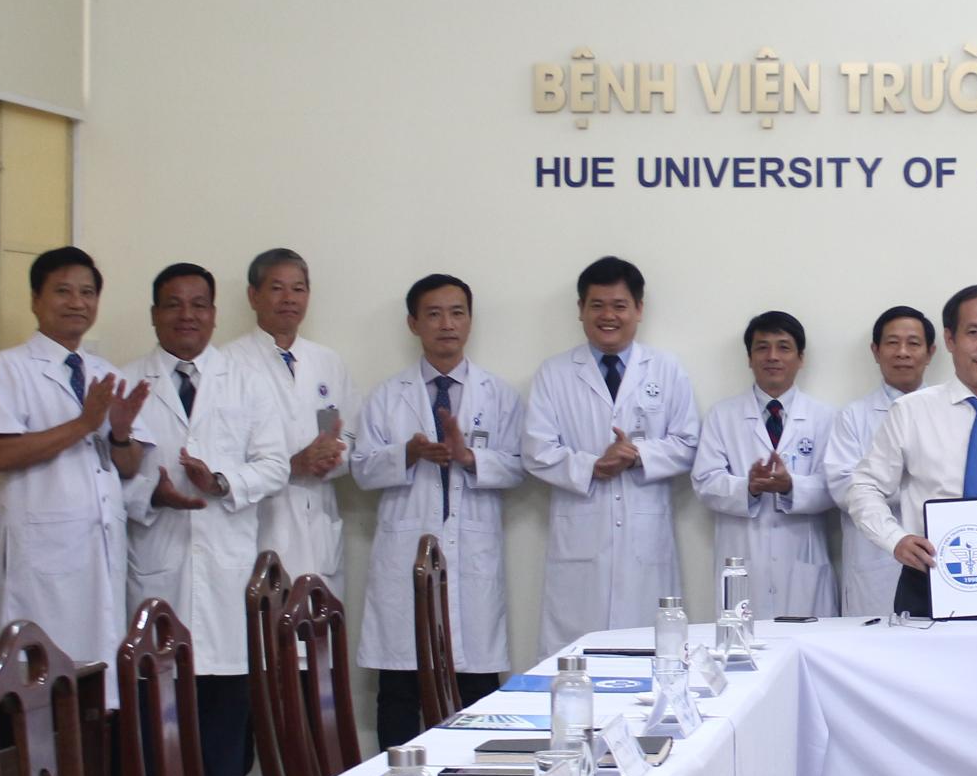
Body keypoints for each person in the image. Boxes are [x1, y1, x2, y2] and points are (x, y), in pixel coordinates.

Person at [120, 263, 291, 776]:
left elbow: (274, 465)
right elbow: (108, 474)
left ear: (215, 314)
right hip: (158, 560)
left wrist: (221, 482)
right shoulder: (127, 382)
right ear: (154, 314)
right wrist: (153, 494)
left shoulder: (245, 381)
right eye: (173, 304)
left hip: (225, 562)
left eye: (198, 304)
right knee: (157, 700)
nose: (187, 315)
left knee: (225, 696)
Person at [353, 274, 523, 748]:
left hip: (472, 557)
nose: (447, 324)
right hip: (404, 554)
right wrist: (406, 454)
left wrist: (470, 458)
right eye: (433, 314)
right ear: (413, 323)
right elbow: (361, 469)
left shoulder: (499, 395)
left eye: (457, 313)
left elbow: (519, 467)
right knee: (400, 687)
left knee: (475, 686)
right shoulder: (387, 396)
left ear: (469, 321)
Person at [0, 248, 149, 674]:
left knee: (98, 679)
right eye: (63, 291)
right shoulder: (6, 370)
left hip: (99, 552)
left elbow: (128, 467)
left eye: (87, 293)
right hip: (40, 559)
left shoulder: (106, 373)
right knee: (38, 677)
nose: (77, 302)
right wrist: (84, 424)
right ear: (36, 300)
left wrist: (120, 433)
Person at [844, 285, 977, 616]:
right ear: (950, 339)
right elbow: (864, 487)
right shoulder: (910, 411)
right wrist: (895, 539)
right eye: (974, 333)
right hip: (926, 579)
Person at [523, 256, 700, 649]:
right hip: (580, 544)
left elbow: (688, 444)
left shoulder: (666, 369)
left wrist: (636, 455)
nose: (608, 316)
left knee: (649, 654)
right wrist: (593, 466)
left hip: (645, 543)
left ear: (638, 309)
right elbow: (536, 451)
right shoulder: (554, 373)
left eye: (619, 305)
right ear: (581, 310)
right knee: (576, 662)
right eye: (597, 305)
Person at [223, 248, 356, 591]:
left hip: (318, 524)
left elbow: (350, 437)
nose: (289, 299)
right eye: (277, 288)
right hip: (259, 525)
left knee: (320, 621)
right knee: (263, 619)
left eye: (298, 289)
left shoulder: (328, 362)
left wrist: (332, 459)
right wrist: (291, 465)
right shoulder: (226, 364)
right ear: (253, 296)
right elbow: (221, 457)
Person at [692, 311, 838, 616]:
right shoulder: (722, 416)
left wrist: (790, 487)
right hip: (743, 560)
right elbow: (705, 482)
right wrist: (749, 488)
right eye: (762, 347)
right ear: (749, 358)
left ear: (801, 358)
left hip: (802, 562)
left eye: (784, 347)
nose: (772, 356)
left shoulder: (824, 418)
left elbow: (835, 486)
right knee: (743, 639)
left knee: (808, 639)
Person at [822, 306, 937, 616]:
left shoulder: (947, 412)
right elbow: (843, 487)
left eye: (913, 343)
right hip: (872, 558)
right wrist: (916, 486)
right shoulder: (853, 416)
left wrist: (889, 485)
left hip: (934, 555)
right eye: (892, 343)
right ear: (875, 351)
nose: (902, 352)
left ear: (930, 352)